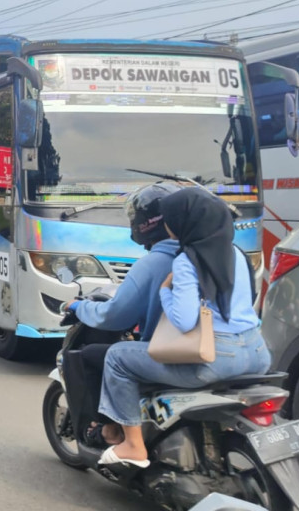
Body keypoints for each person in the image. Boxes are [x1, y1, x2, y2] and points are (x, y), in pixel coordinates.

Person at [98, 187, 268, 467]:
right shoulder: (236, 253)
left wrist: (167, 289)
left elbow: (185, 321)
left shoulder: (188, 261)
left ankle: (133, 445)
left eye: (172, 219)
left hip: (216, 359)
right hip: (257, 353)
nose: (167, 225)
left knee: (117, 357)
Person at [61, 183, 183, 447]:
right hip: (239, 350)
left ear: (145, 222)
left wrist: (79, 307)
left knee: (92, 356)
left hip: (179, 354)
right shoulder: (222, 256)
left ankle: (111, 431)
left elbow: (116, 316)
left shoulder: (153, 263)